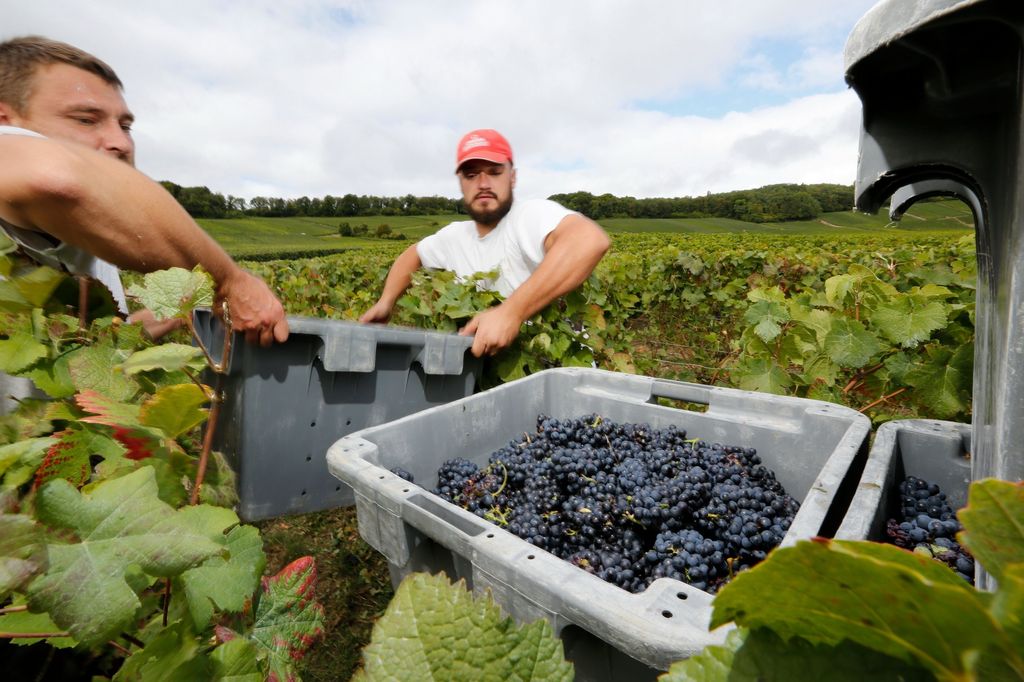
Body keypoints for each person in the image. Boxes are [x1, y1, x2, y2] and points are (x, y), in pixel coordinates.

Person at [0, 35, 288, 347]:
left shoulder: (94, 240)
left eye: (125, 126)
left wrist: (179, 313)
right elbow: (58, 179)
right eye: (85, 120)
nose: (121, 143)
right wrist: (232, 283)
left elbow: (100, 345)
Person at [360, 129, 610, 357]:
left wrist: (511, 312)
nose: (483, 184)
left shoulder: (529, 216)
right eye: (471, 175)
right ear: (461, 183)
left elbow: (589, 240)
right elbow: (413, 254)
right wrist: (386, 302)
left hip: (556, 371)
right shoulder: (454, 236)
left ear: (512, 177)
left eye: (494, 172)